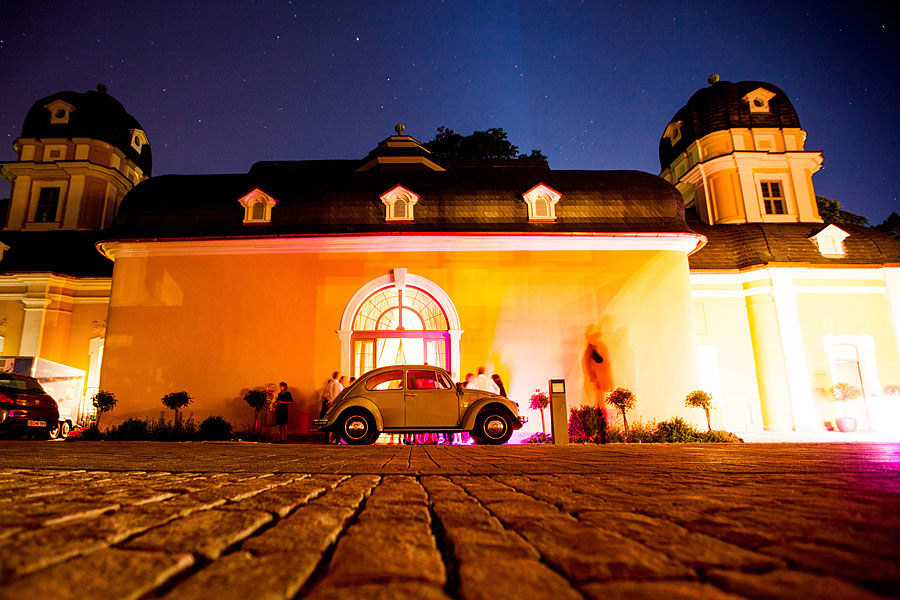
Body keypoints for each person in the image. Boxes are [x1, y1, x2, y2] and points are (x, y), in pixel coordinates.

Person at [321, 371, 344, 444]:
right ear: (338, 376)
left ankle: (327, 439)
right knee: (337, 421)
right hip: (336, 405)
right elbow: (341, 395)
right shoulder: (340, 385)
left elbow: (325, 395)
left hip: (329, 404)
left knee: (328, 421)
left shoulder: (329, 385)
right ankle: (336, 439)